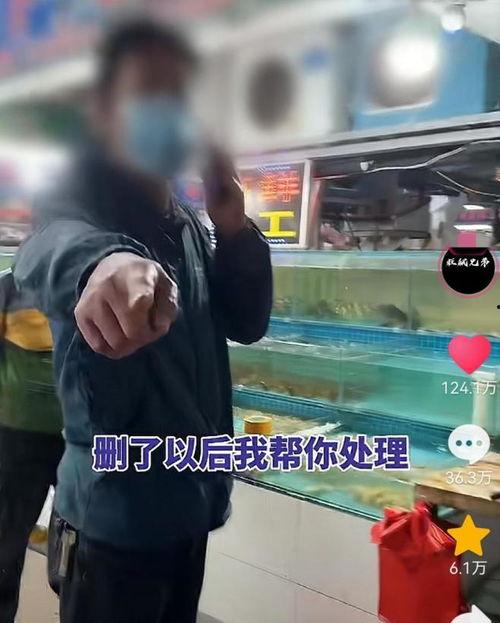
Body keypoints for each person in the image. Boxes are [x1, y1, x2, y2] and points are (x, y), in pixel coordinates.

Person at [13, 18, 272, 623]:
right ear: (105, 114)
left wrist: (233, 225)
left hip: (192, 507)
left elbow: (248, 321)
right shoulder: (79, 206)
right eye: (149, 91)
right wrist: (101, 265)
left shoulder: (190, 225)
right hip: (112, 525)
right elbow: (45, 250)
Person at [0, 268, 63, 623]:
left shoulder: (86, 281)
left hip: (79, 440)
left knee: (80, 547)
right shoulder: (8, 287)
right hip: (18, 438)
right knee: (7, 543)